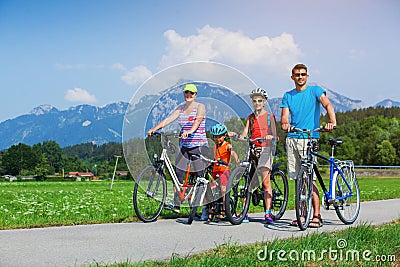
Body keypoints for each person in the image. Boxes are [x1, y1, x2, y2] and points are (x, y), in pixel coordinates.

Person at [280, 63, 336, 228]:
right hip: (292, 138)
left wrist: (332, 121)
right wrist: (285, 123)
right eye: (297, 74)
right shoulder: (287, 96)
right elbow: (284, 116)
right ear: (292, 77)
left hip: (309, 138)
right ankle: (302, 214)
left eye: (303, 74)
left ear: (307, 76)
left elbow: (327, 105)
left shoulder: (315, 90)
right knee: (298, 179)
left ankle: (317, 215)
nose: (300, 77)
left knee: (309, 178)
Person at [148, 83, 207, 213]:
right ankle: (177, 204)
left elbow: (197, 121)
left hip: (199, 145)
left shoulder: (200, 107)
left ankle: (204, 205)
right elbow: (168, 120)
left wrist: (190, 131)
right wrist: (154, 129)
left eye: (191, 93)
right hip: (184, 145)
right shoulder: (180, 109)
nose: (188, 95)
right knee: (178, 174)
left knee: (199, 176)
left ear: (195, 95)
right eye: (186, 92)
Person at [235, 88, 277, 224]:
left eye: (260, 101)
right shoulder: (250, 117)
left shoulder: (270, 117)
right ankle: (243, 211)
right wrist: (241, 137)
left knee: (265, 182)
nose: (257, 103)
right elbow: (245, 132)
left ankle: (268, 213)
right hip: (253, 149)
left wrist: (272, 136)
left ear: (264, 102)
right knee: (248, 181)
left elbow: (276, 136)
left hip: (265, 149)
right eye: (254, 101)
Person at [208, 123, 239, 221]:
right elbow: (213, 156)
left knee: (223, 189)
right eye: (216, 137)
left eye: (220, 137)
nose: (218, 139)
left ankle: (225, 209)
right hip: (215, 170)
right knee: (211, 188)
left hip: (224, 171)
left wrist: (237, 162)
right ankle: (212, 208)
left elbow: (233, 152)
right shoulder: (215, 146)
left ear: (224, 136)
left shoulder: (227, 145)